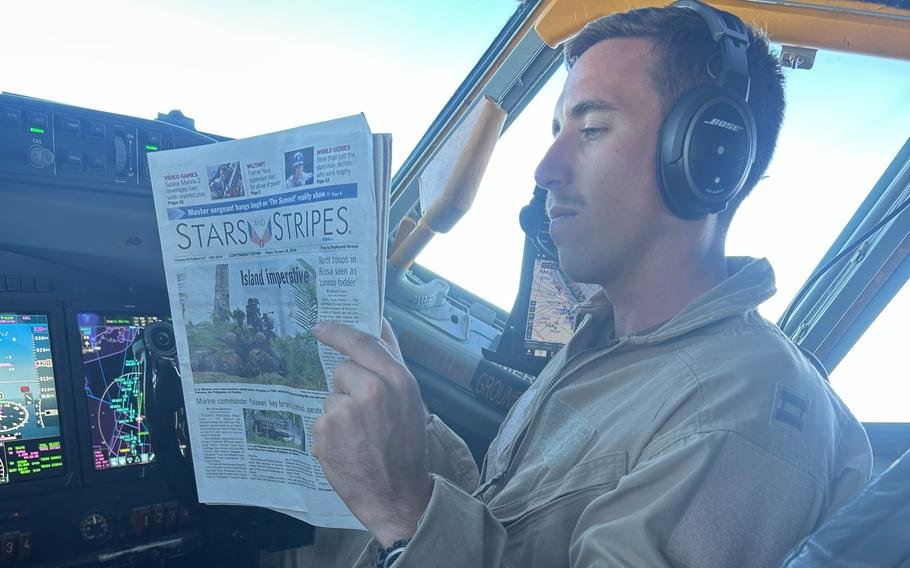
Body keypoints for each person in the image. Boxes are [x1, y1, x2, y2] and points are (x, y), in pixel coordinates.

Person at [268, 3, 873, 567]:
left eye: (591, 129)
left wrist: (404, 510)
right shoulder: (612, 337)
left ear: (706, 155)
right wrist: (404, 421)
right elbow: (511, 528)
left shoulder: (740, 415)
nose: (544, 169)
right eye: (557, 129)